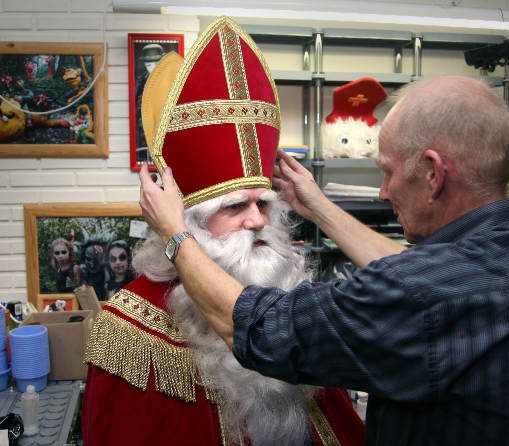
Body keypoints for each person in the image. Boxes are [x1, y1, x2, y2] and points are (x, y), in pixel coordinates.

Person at [140, 73, 509, 445]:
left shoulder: (423, 294)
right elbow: (421, 273)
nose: (382, 192)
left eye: (387, 172)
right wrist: (318, 205)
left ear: (434, 173)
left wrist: (175, 235)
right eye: (237, 207)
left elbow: (261, 329)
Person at [82, 17, 365, 446]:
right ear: (188, 220)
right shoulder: (129, 328)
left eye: (263, 203)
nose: (257, 221)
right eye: (236, 206)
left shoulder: (290, 294)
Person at [135, 43, 165, 163]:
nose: (152, 67)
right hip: (143, 130)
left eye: (155, 63)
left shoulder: (169, 80)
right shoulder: (140, 81)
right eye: (148, 64)